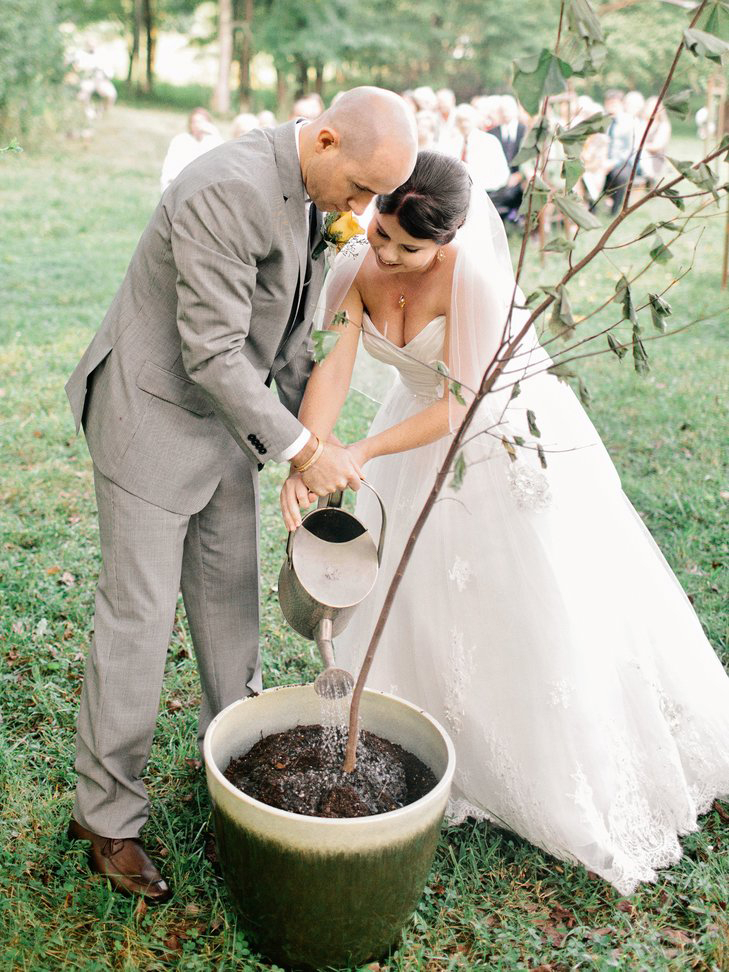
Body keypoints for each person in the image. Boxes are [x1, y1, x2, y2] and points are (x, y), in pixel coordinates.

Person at [279, 151, 729, 895]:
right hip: (408, 431)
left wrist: (358, 449)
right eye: (382, 233)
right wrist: (312, 457)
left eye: (407, 248)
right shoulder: (354, 263)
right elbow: (333, 367)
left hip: (498, 435)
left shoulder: (472, 279)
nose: (386, 255)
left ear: (450, 239)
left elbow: (462, 403)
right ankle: (423, 731)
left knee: (526, 594)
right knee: (411, 589)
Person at [64, 87, 418, 902]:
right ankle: (106, 818)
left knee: (229, 605)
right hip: (152, 421)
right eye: (360, 193)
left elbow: (287, 334)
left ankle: (236, 769)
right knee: (138, 624)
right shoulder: (227, 186)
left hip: (228, 429)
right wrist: (301, 449)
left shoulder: (316, 192)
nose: (361, 215)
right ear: (324, 141)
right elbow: (215, 352)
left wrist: (299, 451)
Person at [446, 104, 509, 193]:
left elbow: (503, 174)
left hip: (487, 192)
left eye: (467, 120)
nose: (464, 124)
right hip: (458, 194)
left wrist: (482, 188)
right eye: (460, 120)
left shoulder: (490, 141)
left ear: (475, 121)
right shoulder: (451, 144)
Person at [160, 107, 223, 193]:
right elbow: (170, 168)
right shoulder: (180, 141)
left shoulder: (214, 142)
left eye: (202, 122)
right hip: (181, 186)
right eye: (194, 122)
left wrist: (214, 133)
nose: (198, 125)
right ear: (190, 125)